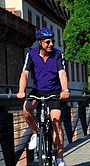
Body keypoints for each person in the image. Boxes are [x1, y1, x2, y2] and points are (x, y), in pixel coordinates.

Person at [17, 27, 69, 166]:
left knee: (56, 121)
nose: (51, 44)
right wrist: (21, 90)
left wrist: (65, 89)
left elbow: (62, 73)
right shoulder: (32, 54)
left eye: (52, 41)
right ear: (40, 43)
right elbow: (25, 74)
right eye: (47, 42)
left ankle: (59, 158)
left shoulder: (58, 54)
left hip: (54, 91)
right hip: (38, 90)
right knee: (26, 109)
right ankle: (35, 133)